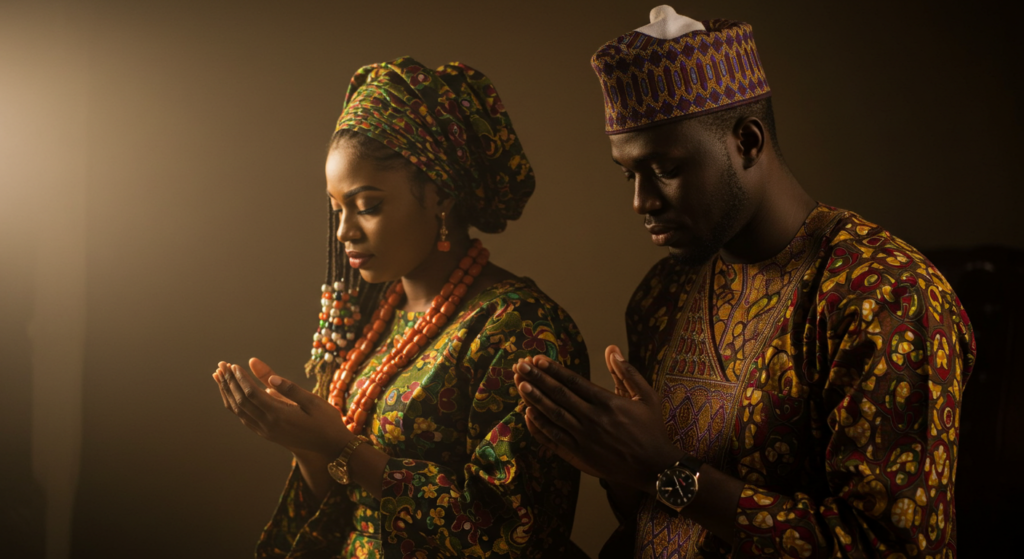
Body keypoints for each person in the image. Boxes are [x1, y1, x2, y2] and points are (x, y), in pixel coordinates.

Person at [513, 6, 974, 558]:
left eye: (666, 170)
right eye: (629, 174)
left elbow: (894, 549)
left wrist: (662, 470)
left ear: (748, 142)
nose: (641, 202)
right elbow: (649, 520)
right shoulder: (663, 293)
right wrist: (614, 461)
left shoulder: (884, 296)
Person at [212, 56, 590, 558]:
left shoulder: (520, 328)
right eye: (336, 209)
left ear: (441, 196)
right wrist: (305, 442)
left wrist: (340, 446)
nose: (344, 231)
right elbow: (343, 505)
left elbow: (512, 533)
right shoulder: (374, 314)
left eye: (367, 206)